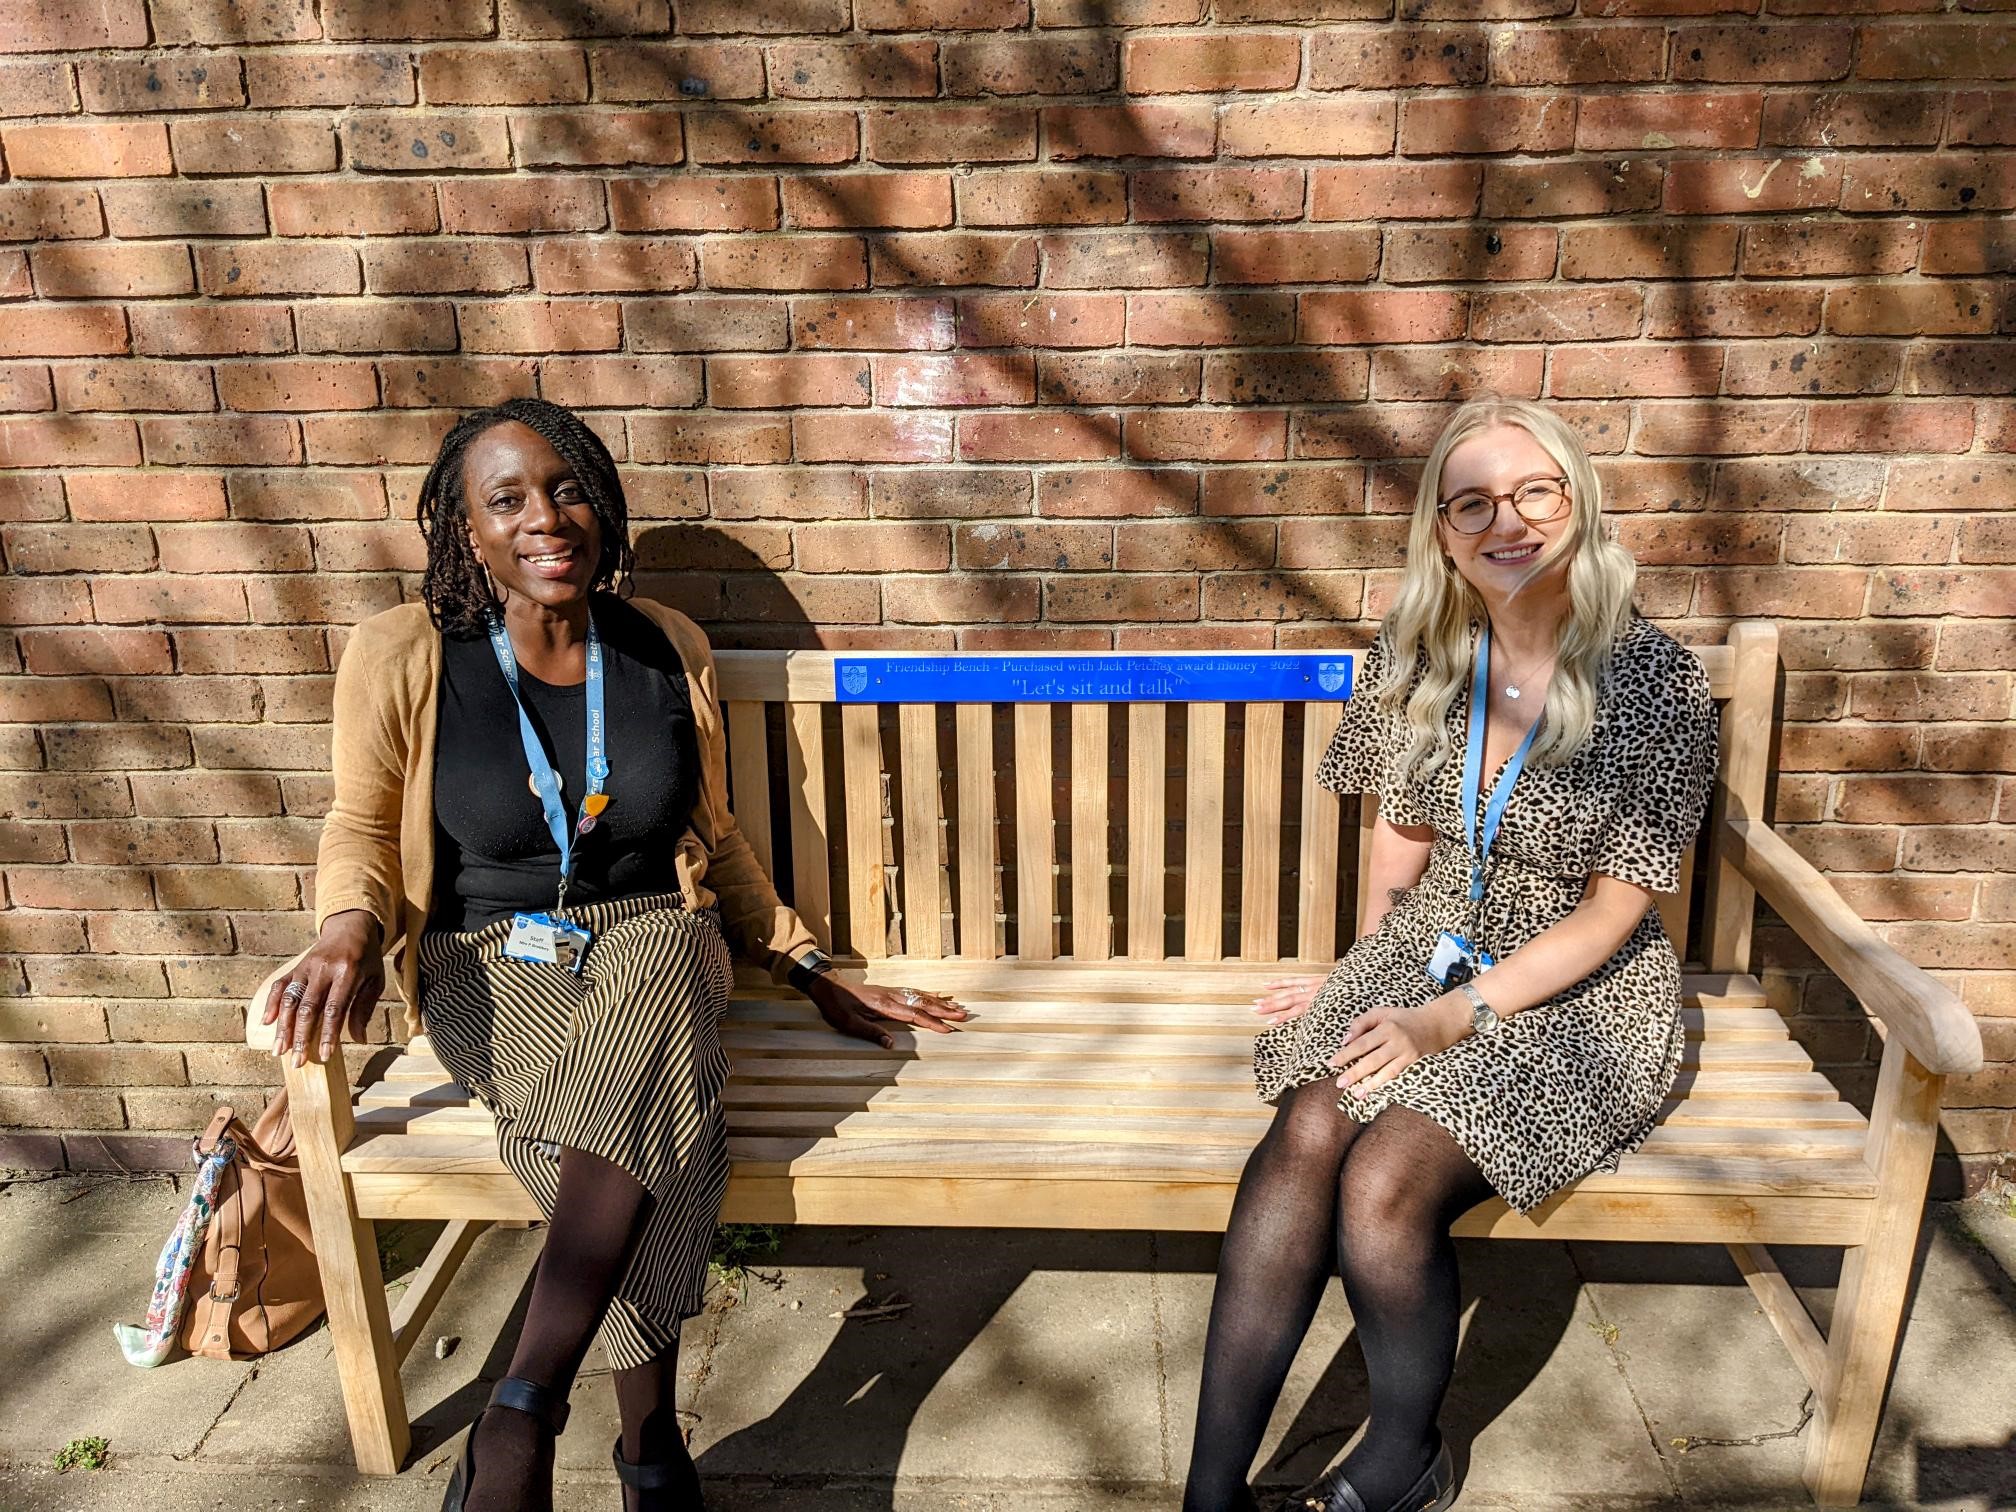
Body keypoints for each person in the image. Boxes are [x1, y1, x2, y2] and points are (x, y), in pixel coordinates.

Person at [262, 397, 966, 1512]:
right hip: (491, 964)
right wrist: (347, 927)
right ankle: (647, 1446)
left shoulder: (661, 649)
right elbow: (360, 821)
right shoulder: (404, 651)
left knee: (673, 959)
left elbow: (715, 839)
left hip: (653, 942)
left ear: (602, 503)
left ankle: (520, 1413)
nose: (546, 517)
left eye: (567, 487)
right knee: (642, 1120)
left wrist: (809, 965)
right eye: (508, 500)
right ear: (465, 528)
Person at [1183, 397, 1719, 1512]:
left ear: (1579, 502)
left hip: (1579, 988)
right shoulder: (1421, 648)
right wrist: (1364, 965)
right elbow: (1402, 832)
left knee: (1386, 1180)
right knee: (1311, 1124)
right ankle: (1210, 1491)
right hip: (1435, 939)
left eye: (1534, 491)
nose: (1506, 522)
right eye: (1471, 501)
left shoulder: (1654, 682)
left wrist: (1448, 1016)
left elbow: (1613, 913)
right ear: (1440, 530)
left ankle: (1404, 1452)